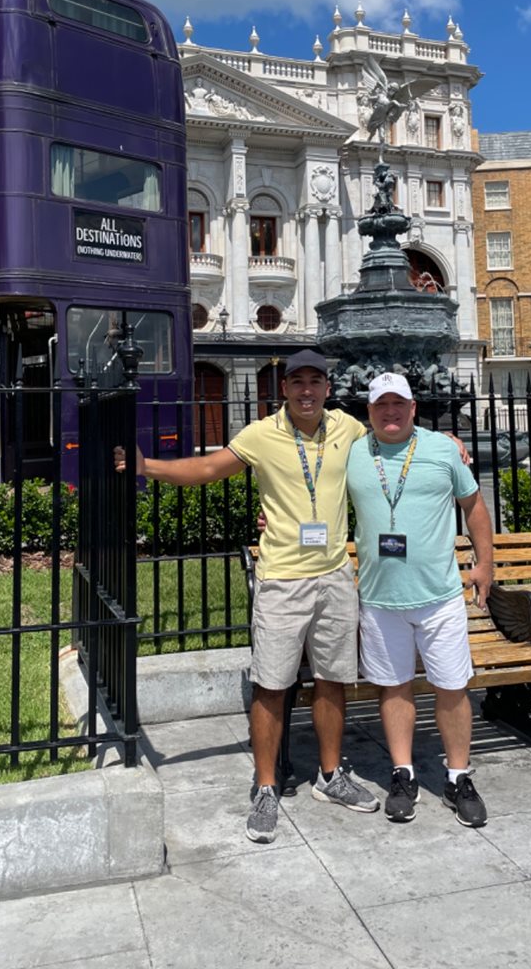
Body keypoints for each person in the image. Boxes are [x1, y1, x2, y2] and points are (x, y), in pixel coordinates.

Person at [118, 350, 380, 845]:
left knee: (332, 680)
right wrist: (147, 466)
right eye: (297, 381)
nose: (307, 390)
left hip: (335, 576)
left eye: (316, 381)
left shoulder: (347, 428)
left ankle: (330, 775)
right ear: (283, 389)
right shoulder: (262, 434)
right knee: (271, 683)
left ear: (328, 388)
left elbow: (395, 441)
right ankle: (265, 785)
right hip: (281, 579)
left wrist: (447, 440)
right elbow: (209, 469)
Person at [345, 372, 494, 827]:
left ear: (413, 408)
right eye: (380, 405)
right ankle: (403, 772)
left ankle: (457, 775)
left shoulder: (444, 449)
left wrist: (485, 564)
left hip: (439, 596)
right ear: (368, 412)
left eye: (399, 404)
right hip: (379, 597)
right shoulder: (353, 451)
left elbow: (473, 506)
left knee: (452, 687)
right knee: (394, 687)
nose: (390, 412)